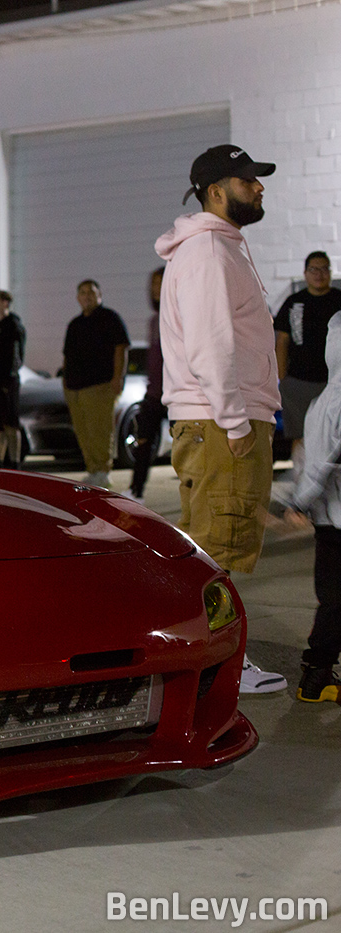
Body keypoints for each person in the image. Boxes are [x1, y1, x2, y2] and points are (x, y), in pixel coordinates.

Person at [157, 143, 285, 694]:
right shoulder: (208, 252)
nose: (259, 188)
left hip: (225, 416)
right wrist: (234, 422)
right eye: (248, 180)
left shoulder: (224, 248)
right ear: (216, 190)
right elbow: (212, 345)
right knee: (217, 546)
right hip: (217, 420)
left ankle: (217, 661)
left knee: (219, 545)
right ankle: (220, 668)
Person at [282, 316, 341, 704]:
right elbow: (324, 461)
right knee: (336, 602)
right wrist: (298, 501)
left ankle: (316, 673)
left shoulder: (323, 399)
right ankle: (317, 676)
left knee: (333, 598)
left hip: (328, 519)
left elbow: (306, 457)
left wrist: (298, 497)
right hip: (335, 518)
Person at [275, 251, 341, 471]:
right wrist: (282, 379)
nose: (319, 274)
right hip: (298, 383)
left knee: (334, 438)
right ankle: (301, 486)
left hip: (334, 384)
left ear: (330, 272)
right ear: (305, 273)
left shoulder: (339, 300)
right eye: (314, 269)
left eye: (324, 269)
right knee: (300, 436)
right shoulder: (294, 302)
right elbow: (282, 341)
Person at [62, 280, 129, 488]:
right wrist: (65, 382)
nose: (86, 296)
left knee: (100, 430)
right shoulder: (75, 324)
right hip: (74, 388)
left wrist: (118, 378)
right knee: (83, 431)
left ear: (99, 295)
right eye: (82, 292)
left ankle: (102, 470)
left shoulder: (110, 318)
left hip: (99, 386)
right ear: (77, 297)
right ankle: (92, 469)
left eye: (91, 292)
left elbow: (121, 348)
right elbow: (67, 355)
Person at [128, 268, 168, 502]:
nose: (156, 289)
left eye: (161, 283)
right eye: (153, 284)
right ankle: (135, 492)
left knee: (185, 446)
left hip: (175, 392)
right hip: (154, 391)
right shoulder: (154, 320)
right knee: (143, 439)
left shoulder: (177, 316)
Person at [0, 289, 26, 468]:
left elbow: (16, 358)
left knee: (11, 424)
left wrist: (8, 380)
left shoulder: (13, 326)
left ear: (5, 303)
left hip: (8, 382)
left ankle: (15, 463)